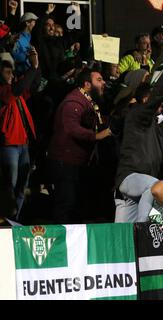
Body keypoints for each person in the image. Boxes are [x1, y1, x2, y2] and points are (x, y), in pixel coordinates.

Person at [114, 60, 163, 223]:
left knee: (124, 235)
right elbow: (155, 98)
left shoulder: (156, 126)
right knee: (156, 187)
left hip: (142, 193)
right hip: (130, 178)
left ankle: (158, 227)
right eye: (157, 101)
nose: (161, 104)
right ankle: (145, 231)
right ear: (147, 99)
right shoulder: (135, 115)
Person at [47, 68, 112, 223]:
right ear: (87, 84)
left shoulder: (88, 102)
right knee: (66, 204)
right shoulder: (73, 102)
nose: (104, 83)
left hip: (76, 163)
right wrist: (96, 136)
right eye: (99, 80)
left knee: (75, 206)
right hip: (65, 163)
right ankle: (61, 243)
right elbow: (70, 128)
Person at [0, 49, 40, 221]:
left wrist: (36, 66)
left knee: (22, 187)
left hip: (23, 145)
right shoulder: (3, 91)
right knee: (10, 185)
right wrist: (33, 67)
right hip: (9, 146)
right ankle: (5, 219)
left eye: (12, 72)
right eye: (7, 72)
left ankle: (13, 221)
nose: (11, 75)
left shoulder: (15, 90)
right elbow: (20, 88)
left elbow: (33, 84)